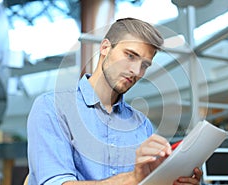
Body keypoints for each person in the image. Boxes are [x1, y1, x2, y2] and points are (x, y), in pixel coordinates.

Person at [27, 17, 202, 185]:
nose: (136, 71)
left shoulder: (142, 125)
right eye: (130, 56)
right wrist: (133, 179)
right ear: (105, 47)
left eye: (145, 65)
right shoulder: (53, 107)